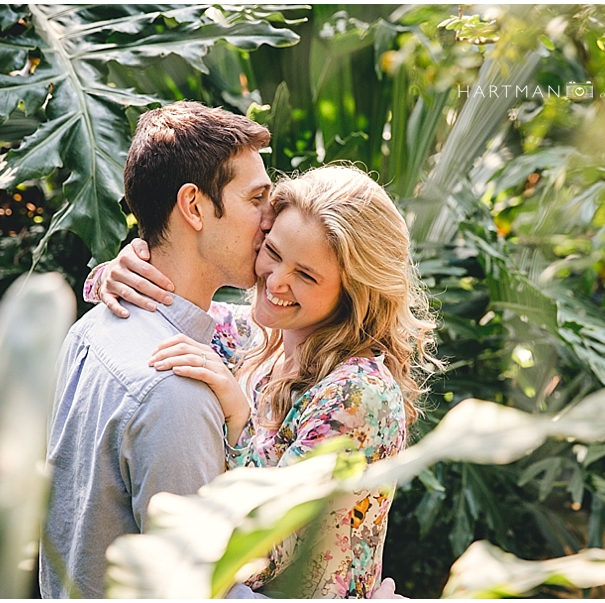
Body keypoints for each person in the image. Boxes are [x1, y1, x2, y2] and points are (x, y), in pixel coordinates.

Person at [89, 165, 439, 598]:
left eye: (306, 275)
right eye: (272, 252)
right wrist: (120, 270)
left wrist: (239, 419)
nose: (275, 281)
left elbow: (261, 550)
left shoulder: (358, 394)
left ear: (354, 290)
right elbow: (168, 305)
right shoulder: (254, 337)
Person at [39, 101, 275, 599]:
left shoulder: (90, 330)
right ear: (193, 206)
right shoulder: (176, 390)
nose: (269, 221)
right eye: (256, 200)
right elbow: (199, 588)